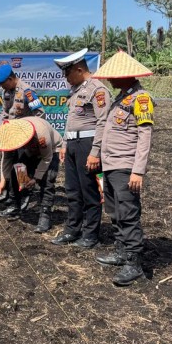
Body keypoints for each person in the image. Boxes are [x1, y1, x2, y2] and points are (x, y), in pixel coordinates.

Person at [91, 51, 155, 286]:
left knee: (128, 214)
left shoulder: (141, 99)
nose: (110, 80)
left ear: (127, 76)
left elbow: (144, 136)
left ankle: (133, 263)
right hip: (110, 165)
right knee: (115, 211)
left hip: (126, 166)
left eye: (114, 76)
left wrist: (138, 170)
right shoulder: (121, 98)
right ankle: (120, 251)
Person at [50, 48, 111, 248]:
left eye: (67, 73)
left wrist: (95, 153)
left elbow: (103, 123)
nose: (65, 77)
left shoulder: (98, 90)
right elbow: (71, 120)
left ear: (78, 69)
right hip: (73, 145)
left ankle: (90, 234)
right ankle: (72, 229)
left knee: (89, 190)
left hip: (88, 145)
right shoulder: (75, 91)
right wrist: (65, 144)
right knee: (72, 189)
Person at [0, 62, 47, 209]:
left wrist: (32, 132)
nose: (2, 87)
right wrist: (2, 125)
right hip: (10, 134)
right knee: (7, 160)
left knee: (20, 166)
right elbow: (5, 112)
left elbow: (40, 114)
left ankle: (24, 192)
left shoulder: (27, 91)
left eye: (3, 83)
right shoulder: (7, 92)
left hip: (24, 136)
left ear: (10, 79)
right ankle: (10, 192)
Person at [0, 116, 62, 232]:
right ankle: (16, 204)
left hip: (51, 150)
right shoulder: (10, 135)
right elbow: (7, 159)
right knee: (18, 168)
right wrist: (3, 180)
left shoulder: (41, 135)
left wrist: (35, 178)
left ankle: (44, 216)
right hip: (30, 150)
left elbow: (46, 158)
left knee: (47, 181)